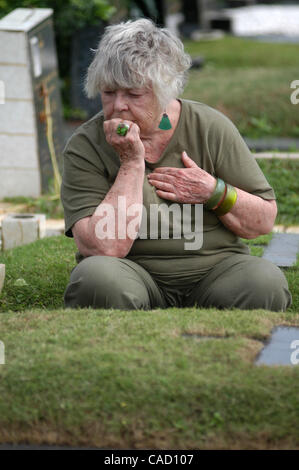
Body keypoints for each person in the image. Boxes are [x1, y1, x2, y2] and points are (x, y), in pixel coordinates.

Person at [61, 18, 292, 312]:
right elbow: (103, 248)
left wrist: (215, 192)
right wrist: (131, 163)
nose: (118, 106)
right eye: (108, 93)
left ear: (164, 91)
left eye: (133, 94)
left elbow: (262, 221)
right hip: (131, 274)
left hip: (215, 270)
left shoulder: (210, 127)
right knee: (94, 280)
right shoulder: (86, 145)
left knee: (265, 282)